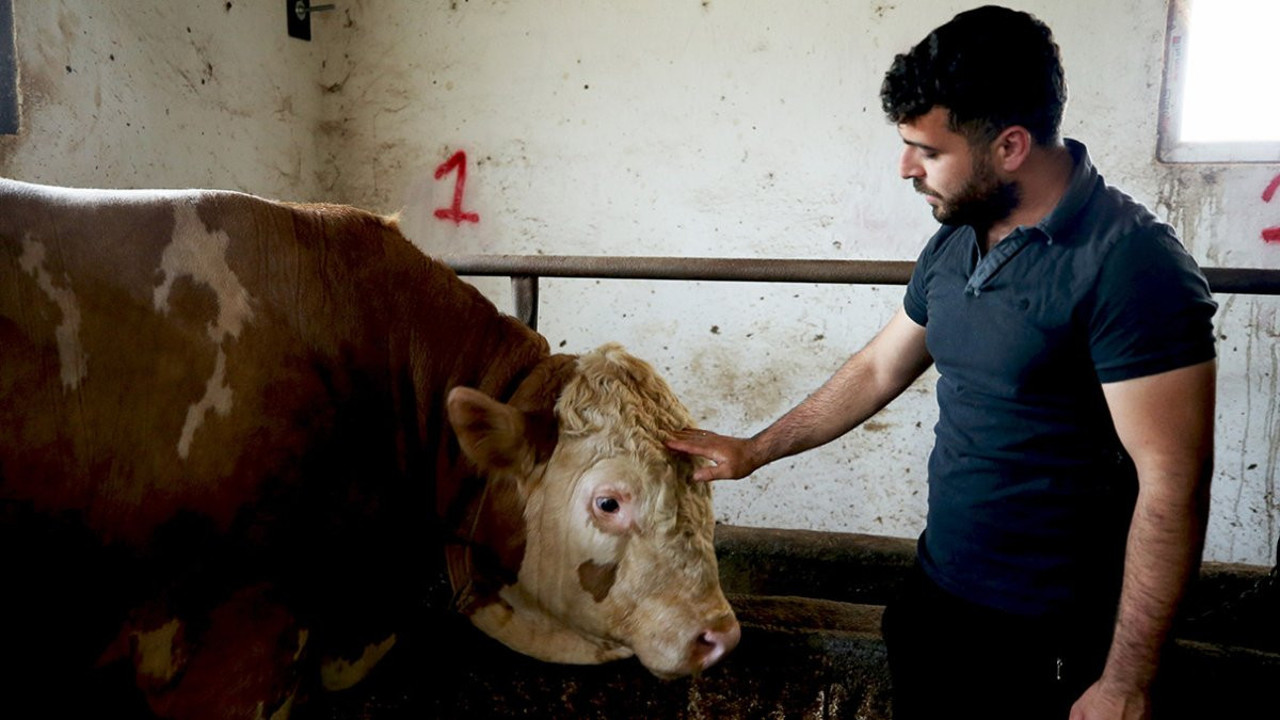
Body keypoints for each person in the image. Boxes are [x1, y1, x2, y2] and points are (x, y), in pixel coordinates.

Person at [665, 6, 1218, 719]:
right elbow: (877, 369)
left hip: (1054, 632)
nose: (905, 168)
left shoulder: (1132, 264)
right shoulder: (957, 238)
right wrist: (755, 449)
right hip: (940, 595)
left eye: (927, 150)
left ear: (1011, 145)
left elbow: (1174, 482)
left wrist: (1127, 680)